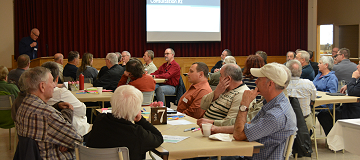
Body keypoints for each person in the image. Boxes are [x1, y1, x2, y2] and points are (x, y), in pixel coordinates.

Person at [210, 63, 296, 159]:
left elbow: (239, 135)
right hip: (251, 153)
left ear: (270, 84)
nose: (255, 82)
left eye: (259, 79)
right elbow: (247, 126)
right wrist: (216, 129)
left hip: (255, 157)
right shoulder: (275, 103)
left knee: (211, 156)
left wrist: (244, 105)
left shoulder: (275, 115)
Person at [15, 67, 82, 159]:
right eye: (51, 82)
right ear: (42, 86)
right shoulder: (48, 115)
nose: (54, 86)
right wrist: (66, 142)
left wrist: (57, 107)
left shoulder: (22, 106)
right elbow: (77, 140)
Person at [86, 85, 163, 160]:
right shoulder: (138, 134)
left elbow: (88, 140)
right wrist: (140, 120)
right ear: (136, 110)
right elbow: (159, 138)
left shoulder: (100, 120)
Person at [42, 62, 90, 136]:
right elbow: (82, 110)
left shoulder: (34, 95)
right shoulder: (60, 93)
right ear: (57, 78)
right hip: (70, 133)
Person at [319, 61, 360, 136]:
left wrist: (353, 78)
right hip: (349, 107)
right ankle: (335, 139)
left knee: (324, 115)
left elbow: (352, 92)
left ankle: (335, 140)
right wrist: (348, 85)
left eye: (359, 64)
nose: (357, 66)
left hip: (353, 111)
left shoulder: (356, 77)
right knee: (324, 114)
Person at [286, 60, 317, 132]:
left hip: (288, 122)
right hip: (305, 122)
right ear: (301, 72)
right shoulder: (309, 84)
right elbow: (313, 99)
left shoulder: (282, 85)